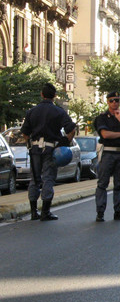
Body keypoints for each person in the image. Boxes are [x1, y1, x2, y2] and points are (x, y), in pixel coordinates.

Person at [21, 83, 76, 221]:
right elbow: (71, 129)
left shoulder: (31, 111)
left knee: (34, 179)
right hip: (51, 149)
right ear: (54, 96)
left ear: (41, 94)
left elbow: (25, 133)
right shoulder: (59, 111)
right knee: (48, 179)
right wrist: (64, 142)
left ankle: (33, 211)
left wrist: (29, 144)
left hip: (34, 149)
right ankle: (45, 212)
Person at [94, 91, 120, 222]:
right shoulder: (102, 118)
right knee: (102, 183)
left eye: (117, 100)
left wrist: (119, 119)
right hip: (108, 153)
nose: (114, 103)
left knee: (119, 184)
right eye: (112, 100)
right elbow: (105, 135)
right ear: (107, 102)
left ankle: (119, 211)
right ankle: (100, 213)